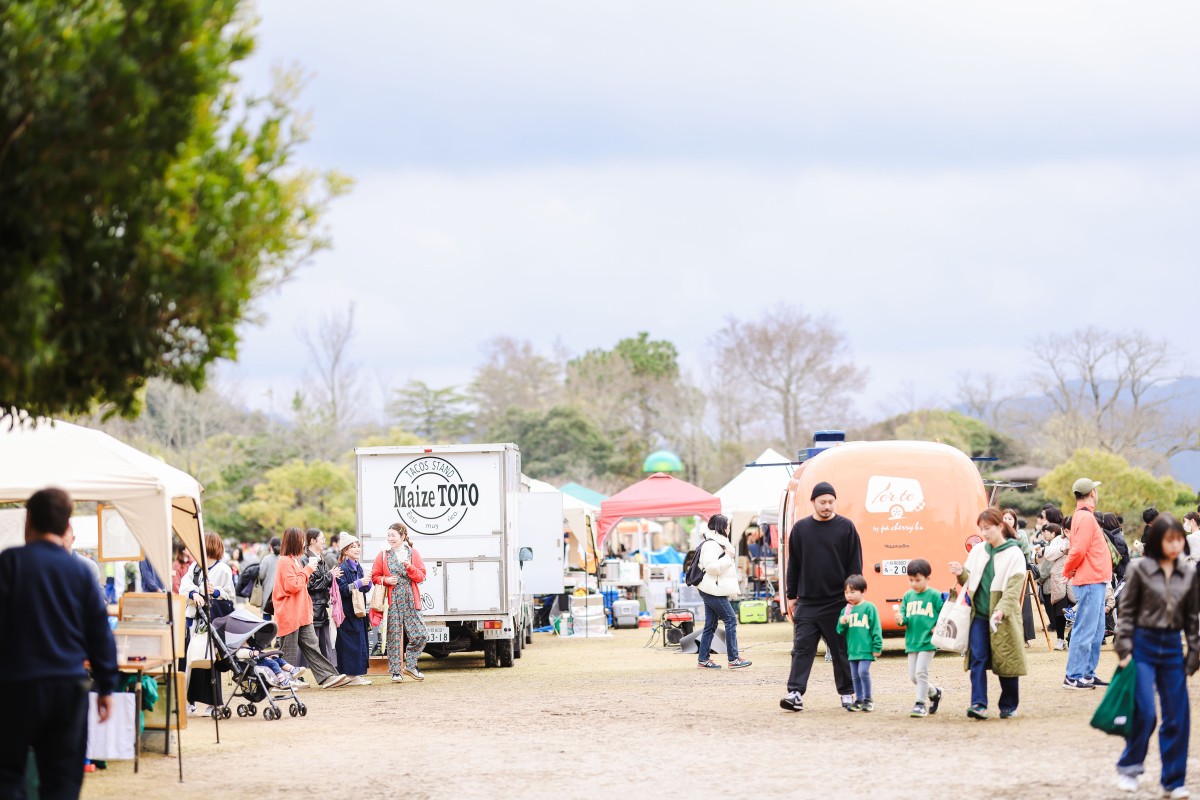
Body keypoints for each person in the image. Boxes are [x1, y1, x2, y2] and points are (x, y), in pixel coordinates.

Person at [0, 488, 118, 799]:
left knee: (8, 775)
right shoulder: (80, 572)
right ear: (66, 525)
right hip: (68, 686)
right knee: (62, 780)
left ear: (29, 521)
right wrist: (106, 685)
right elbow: (99, 632)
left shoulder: (8, 563)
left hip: (14, 686)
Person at [1113, 513, 1199, 797]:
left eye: (1179, 540)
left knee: (1177, 715)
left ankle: (1173, 781)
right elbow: (1126, 613)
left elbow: (1191, 619)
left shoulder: (1188, 573)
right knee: (1146, 712)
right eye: (1169, 539)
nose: (1174, 545)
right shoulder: (1139, 569)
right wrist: (1123, 649)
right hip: (1143, 645)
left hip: (1172, 647)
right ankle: (1130, 767)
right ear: (1158, 541)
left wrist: (1194, 653)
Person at [780, 481, 863, 712]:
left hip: (838, 602)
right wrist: (792, 595)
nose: (827, 506)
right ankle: (795, 693)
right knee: (801, 649)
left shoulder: (846, 527)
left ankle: (847, 694)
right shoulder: (801, 529)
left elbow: (855, 566)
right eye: (822, 502)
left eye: (830, 501)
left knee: (841, 651)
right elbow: (793, 565)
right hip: (807, 602)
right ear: (813, 502)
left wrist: (854, 597)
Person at [949, 507, 1027, 720]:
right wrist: (960, 573)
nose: (984, 533)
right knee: (978, 659)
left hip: (1004, 616)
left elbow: (1013, 588)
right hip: (979, 616)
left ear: (1000, 526)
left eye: (988, 528)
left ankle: (1009, 704)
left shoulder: (1014, 553)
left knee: (1006, 660)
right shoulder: (977, 551)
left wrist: (1002, 609)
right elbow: (969, 581)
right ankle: (978, 704)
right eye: (981, 529)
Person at [273, 527, 349, 689]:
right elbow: (293, 585)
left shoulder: (296, 560)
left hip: (302, 612)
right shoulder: (284, 561)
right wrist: (308, 570)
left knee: (312, 646)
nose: (303, 543)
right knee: (288, 649)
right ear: (294, 541)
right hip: (289, 613)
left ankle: (327, 676)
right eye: (301, 540)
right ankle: (282, 680)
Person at [1062, 477, 1113, 690]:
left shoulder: (1082, 517)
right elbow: (1079, 549)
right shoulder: (1086, 517)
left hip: (1095, 579)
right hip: (1091, 580)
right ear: (1092, 493)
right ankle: (1073, 676)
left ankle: (1087, 674)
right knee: (1085, 629)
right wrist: (1068, 570)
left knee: (1097, 629)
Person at [180, 532, 237, 711]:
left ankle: (212, 702)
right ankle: (190, 700)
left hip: (212, 622)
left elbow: (230, 596)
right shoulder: (195, 567)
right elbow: (184, 586)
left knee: (210, 660)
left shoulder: (223, 569)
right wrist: (193, 593)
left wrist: (217, 592)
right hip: (193, 621)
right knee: (191, 659)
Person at [371, 522, 430, 682]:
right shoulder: (383, 554)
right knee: (394, 635)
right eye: (388, 535)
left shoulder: (412, 553)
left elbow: (421, 576)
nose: (390, 539)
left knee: (421, 634)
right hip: (393, 598)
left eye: (393, 535)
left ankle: (410, 664)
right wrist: (386, 579)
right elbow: (374, 576)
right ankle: (395, 671)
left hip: (410, 597)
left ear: (402, 536)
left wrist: (410, 567)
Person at [694, 515, 752, 671]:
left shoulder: (717, 543)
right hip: (713, 590)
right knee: (731, 619)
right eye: (727, 525)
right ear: (721, 527)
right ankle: (733, 659)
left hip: (712, 589)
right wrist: (728, 557)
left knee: (710, 625)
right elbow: (712, 567)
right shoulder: (713, 545)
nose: (729, 528)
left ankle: (703, 659)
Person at [894, 558, 944, 717]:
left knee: (921, 673)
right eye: (910, 580)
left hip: (928, 642)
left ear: (928, 578)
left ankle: (920, 704)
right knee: (913, 677)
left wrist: (939, 626)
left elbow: (945, 614)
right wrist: (901, 619)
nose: (914, 584)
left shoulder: (935, 595)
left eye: (917, 580)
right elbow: (905, 617)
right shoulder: (908, 596)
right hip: (912, 641)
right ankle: (934, 692)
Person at [835, 574, 881, 712]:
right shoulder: (846, 610)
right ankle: (859, 699)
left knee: (863, 672)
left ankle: (868, 699)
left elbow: (876, 628)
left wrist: (877, 646)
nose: (849, 595)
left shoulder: (869, 608)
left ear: (863, 591)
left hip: (866, 649)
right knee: (854, 676)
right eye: (846, 592)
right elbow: (839, 631)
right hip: (852, 650)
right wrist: (842, 623)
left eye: (852, 592)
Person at [334, 534, 373, 685]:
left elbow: (362, 588)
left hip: (358, 611)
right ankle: (350, 675)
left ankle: (356, 674)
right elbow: (342, 590)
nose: (357, 549)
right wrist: (358, 583)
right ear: (345, 551)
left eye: (358, 546)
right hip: (348, 612)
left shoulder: (358, 567)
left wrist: (367, 584)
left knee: (359, 641)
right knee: (350, 643)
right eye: (353, 547)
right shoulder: (342, 568)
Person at [304, 528, 340, 665]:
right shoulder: (306, 559)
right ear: (312, 540)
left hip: (320, 606)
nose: (324, 541)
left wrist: (330, 575)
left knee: (323, 643)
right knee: (312, 644)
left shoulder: (319, 557)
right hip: (313, 606)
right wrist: (330, 575)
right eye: (322, 539)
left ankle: (330, 672)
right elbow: (311, 584)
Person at [1039, 523, 1073, 650]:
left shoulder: (1080, 538)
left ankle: (1072, 638)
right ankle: (1060, 639)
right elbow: (1048, 554)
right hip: (1059, 578)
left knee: (1076, 610)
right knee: (1060, 611)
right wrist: (1062, 550)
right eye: (1066, 530)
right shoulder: (1058, 540)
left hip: (1076, 578)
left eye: (1070, 530)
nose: (1068, 533)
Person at [256, 535, 282, 620]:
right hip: (281, 592)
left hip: (267, 591)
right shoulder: (283, 558)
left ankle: (267, 633)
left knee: (266, 617)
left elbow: (261, 575)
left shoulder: (266, 559)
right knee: (279, 617)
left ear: (270, 546)